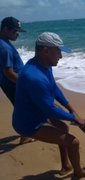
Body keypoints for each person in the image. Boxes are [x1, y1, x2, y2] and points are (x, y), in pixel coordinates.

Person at [12, 32, 85, 178]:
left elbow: (54, 88)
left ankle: (65, 166)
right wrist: (75, 118)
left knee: (63, 128)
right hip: (29, 123)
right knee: (73, 142)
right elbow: (50, 109)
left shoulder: (44, 65)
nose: (61, 57)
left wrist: (71, 109)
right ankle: (78, 172)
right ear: (46, 51)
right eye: (58, 52)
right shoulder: (33, 77)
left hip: (38, 112)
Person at [0, 16, 34, 144]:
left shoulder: (3, 42)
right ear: (5, 29)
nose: (17, 34)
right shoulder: (4, 47)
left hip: (9, 83)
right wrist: (26, 84)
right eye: (15, 31)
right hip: (13, 84)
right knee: (24, 108)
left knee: (22, 107)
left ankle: (26, 133)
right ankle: (25, 135)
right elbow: (9, 72)